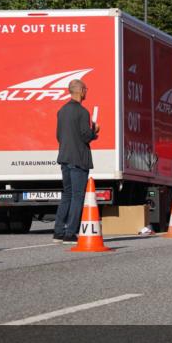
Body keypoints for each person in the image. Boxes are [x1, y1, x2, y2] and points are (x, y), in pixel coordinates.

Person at [53, 79, 99, 244]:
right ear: (80, 91)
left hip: (64, 157)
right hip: (78, 158)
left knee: (67, 194)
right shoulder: (82, 112)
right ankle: (70, 233)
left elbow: (58, 136)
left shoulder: (62, 110)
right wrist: (95, 131)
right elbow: (86, 135)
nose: (86, 91)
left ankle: (58, 232)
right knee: (78, 196)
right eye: (85, 89)